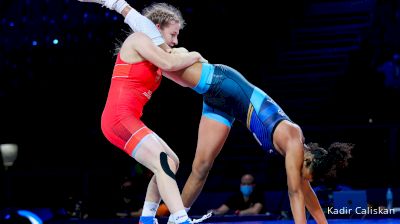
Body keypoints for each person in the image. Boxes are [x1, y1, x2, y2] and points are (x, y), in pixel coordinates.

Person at [78, 1, 354, 223]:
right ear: (308, 161)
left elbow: (304, 191)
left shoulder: (298, 157)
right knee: (170, 58)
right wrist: (119, 6)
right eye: (172, 33)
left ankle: (176, 217)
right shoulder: (294, 139)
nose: (305, 180)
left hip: (224, 102)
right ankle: (119, 4)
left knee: (200, 167)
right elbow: (295, 192)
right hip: (224, 84)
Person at [79, 1, 205, 224]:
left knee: (171, 162)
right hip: (118, 118)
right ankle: (181, 219)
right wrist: (194, 54)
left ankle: (147, 219)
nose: (175, 40)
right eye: (173, 34)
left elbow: (182, 79)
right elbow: (169, 62)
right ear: (156, 27)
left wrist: (184, 55)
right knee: (162, 161)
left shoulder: (155, 54)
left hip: (127, 120)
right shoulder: (138, 40)